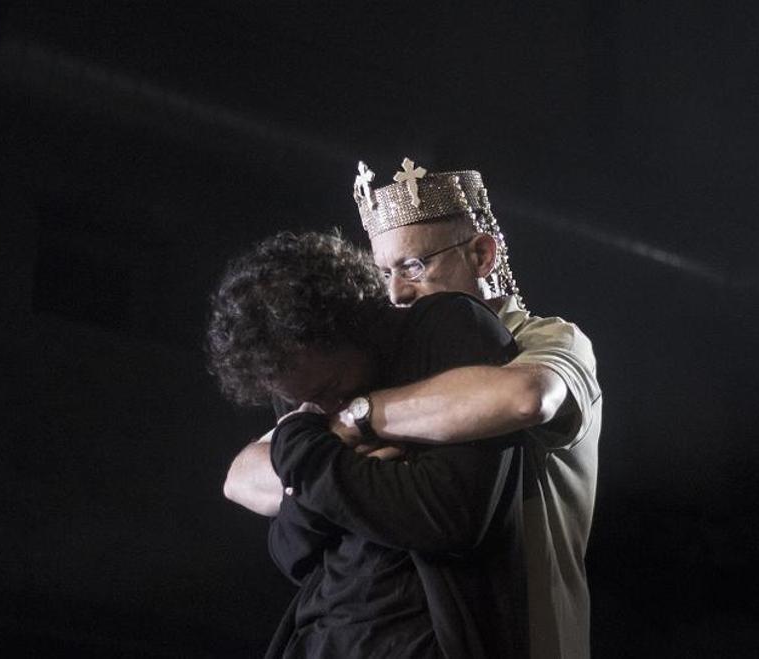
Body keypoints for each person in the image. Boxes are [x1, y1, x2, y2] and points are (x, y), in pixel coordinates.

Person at [226, 159, 602, 658]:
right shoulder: (389, 360)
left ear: (481, 254)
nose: (395, 292)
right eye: (382, 272)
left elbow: (523, 397)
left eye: (414, 266)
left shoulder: (547, 337)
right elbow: (243, 475)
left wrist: (350, 421)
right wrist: (328, 454)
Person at [209, 231, 529, 658]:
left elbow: (449, 516)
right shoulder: (302, 382)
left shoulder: (449, 325)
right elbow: (291, 552)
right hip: (316, 639)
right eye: (308, 402)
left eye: (332, 387)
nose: (325, 409)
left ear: (354, 326)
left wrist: (306, 448)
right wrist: (342, 470)